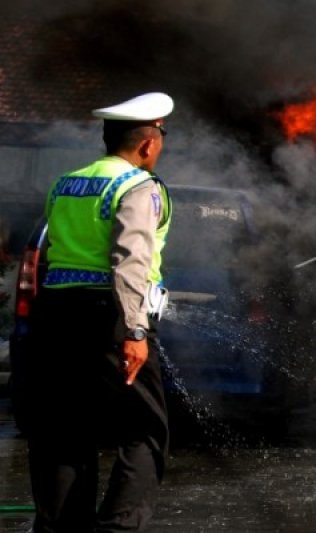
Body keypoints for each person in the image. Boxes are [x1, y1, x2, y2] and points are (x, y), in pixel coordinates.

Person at [23, 92, 174, 532]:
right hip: (110, 317)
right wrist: (135, 332)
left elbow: (47, 255)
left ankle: (61, 526)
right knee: (144, 429)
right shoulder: (139, 188)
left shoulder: (65, 183)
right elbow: (130, 261)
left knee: (62, 429)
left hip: (55, 316)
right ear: (148, 144)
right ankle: (120, 526)